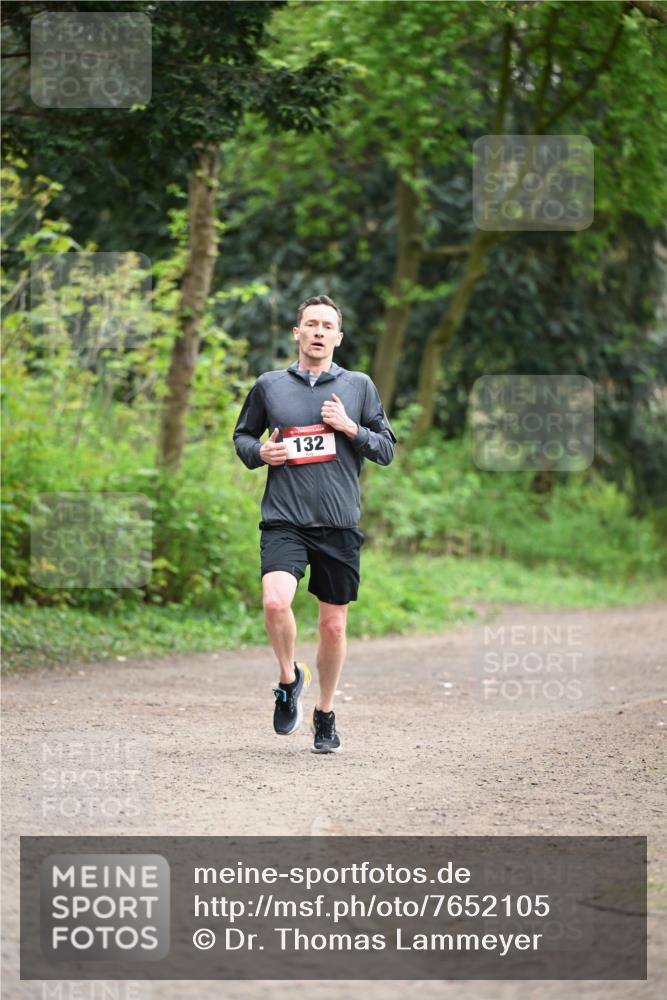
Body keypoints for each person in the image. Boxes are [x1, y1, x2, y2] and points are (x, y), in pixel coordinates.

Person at [232, 294, 396, 753]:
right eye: (312, 324)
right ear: (297, 333)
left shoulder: (359, 386)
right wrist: (260, 452)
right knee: (274, 603)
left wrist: (349, 427)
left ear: (338, 337)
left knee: (333, 627)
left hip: (339, 523)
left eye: (328, 325)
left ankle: (325, 713)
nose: (319, 331)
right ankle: (289, 679)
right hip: (285, 519)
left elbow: (385, 448)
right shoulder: (269, 385)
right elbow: (243, 436)